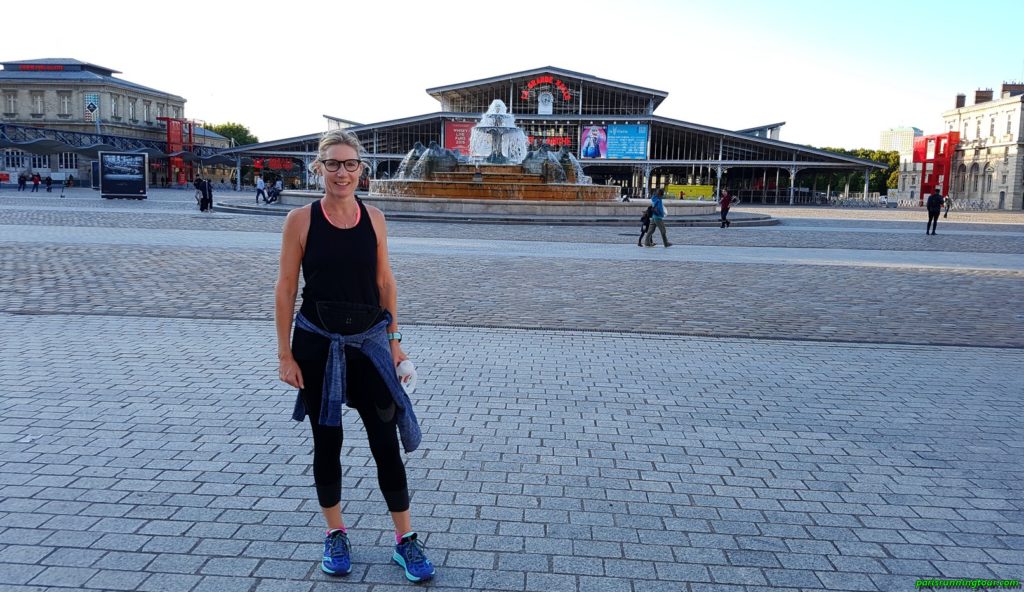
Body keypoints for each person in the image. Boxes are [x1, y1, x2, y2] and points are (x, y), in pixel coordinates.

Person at [274, 129, 435, 582]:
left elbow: (386, 283)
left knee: (386, 443)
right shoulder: (300, 221)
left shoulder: (376, 218)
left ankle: (405, 541)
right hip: (318, 346)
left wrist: (395, 341)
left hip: (368, 346)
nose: (341, 172)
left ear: (362, 170)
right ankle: (336, 533)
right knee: (328, 443)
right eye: (333, 164)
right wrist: (284, 354)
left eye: (350, 165)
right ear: (319, 169)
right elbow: (285, 289)